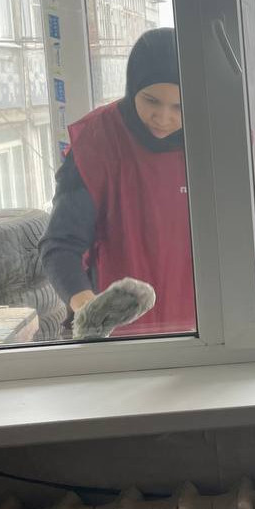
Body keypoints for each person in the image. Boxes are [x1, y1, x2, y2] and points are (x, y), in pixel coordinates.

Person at [40, 27, 196, 337]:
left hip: (202, 333)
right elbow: (61, 246)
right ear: (132, 88)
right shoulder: (99, 140)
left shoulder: (215, 139)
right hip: (118, 338)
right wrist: (90, 310)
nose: (163, 118)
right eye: (151, 101)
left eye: (179, 106)